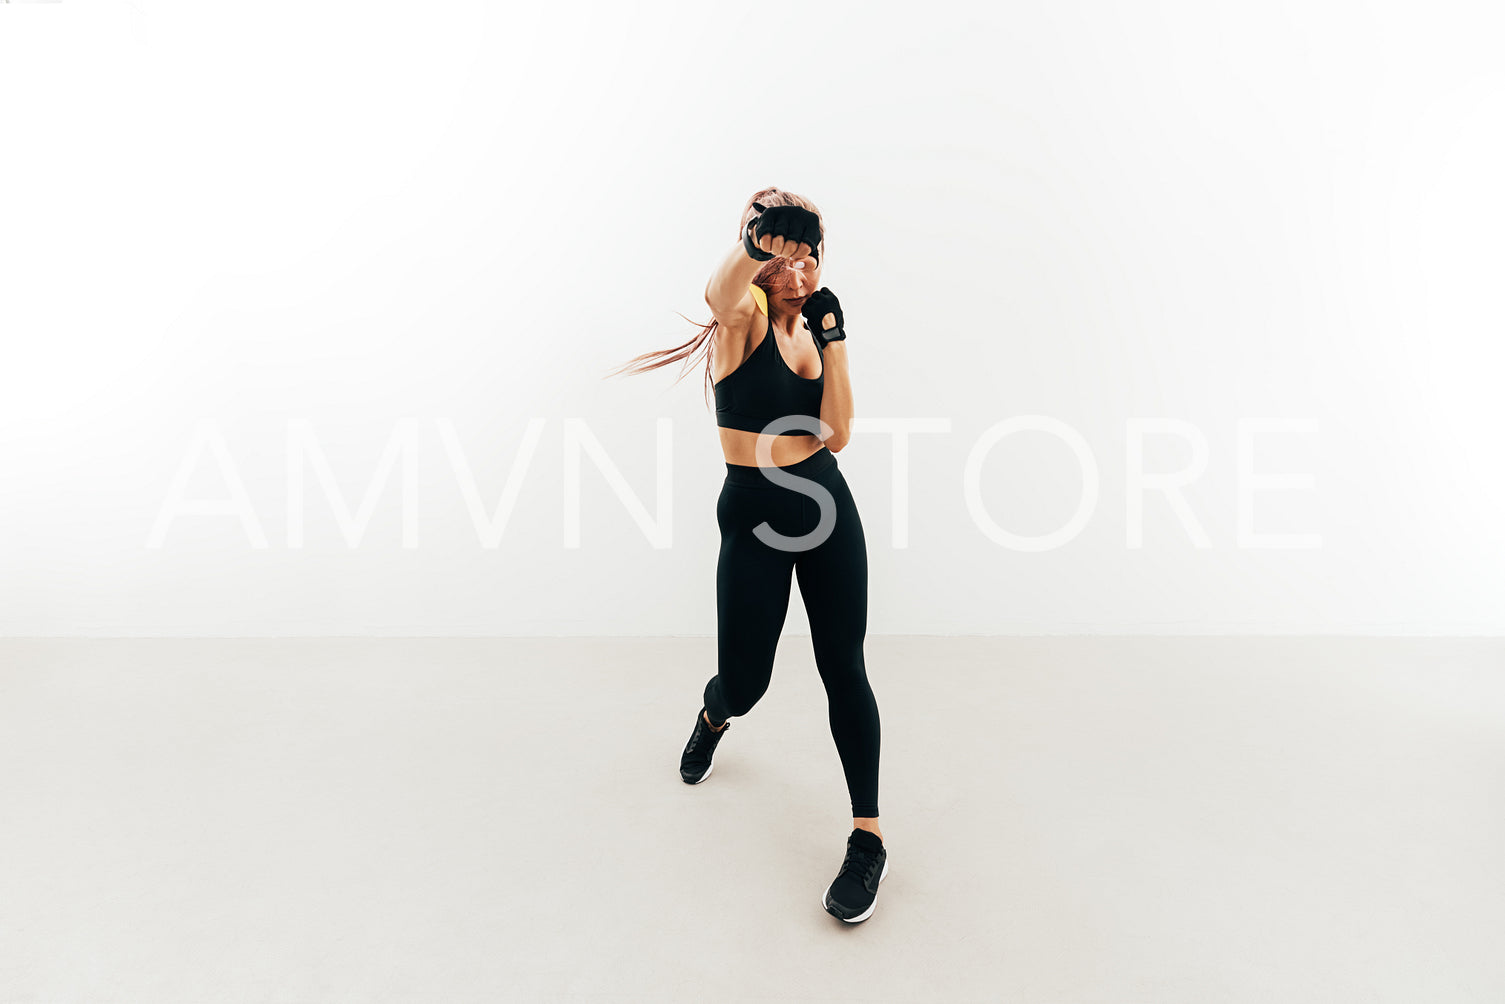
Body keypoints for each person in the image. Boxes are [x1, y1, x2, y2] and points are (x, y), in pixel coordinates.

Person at [608, 188, 887, 924]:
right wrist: (757, 245)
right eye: (783, 257)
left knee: (843, 665)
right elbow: (718, 291)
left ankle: (867, 836)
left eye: (807, 257)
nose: (797, 270)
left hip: (826, 503)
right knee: (745, 681)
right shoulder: (744, 319)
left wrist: (837, 340)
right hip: (756, 515)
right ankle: (712, 714)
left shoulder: (816, 324)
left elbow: (839, 432)